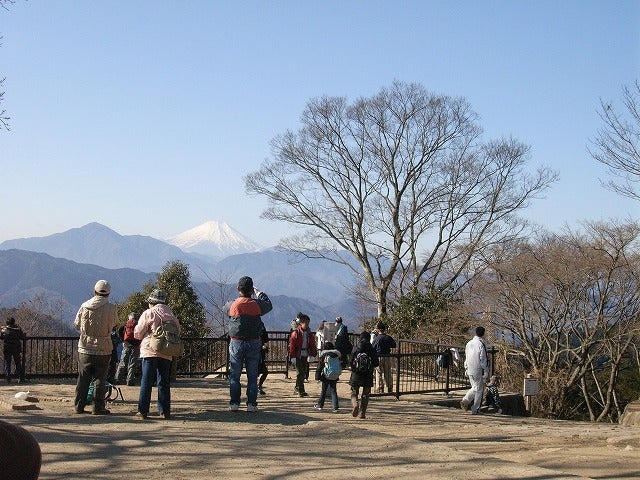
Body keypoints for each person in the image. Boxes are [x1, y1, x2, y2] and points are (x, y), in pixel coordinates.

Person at [223, 276, 272, 412]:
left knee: (235, 375)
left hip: (236, 342)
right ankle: (251, 404)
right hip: (253, 342)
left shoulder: (233, 304)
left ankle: (234, 403)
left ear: (238, 289)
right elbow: (268, 304)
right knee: (252, 375)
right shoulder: (256, 304)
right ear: (251, 290)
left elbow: (224, 308)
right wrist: (259, 293)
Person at [134, 288, 181, 420]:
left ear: (151, 302)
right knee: (164, 382)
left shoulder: (149, 313)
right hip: (166, 352)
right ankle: (164, 411)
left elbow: (138, 333)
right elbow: (178, 330)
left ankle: (143, 411)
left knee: (146, 381)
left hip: (149, 350)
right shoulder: (171, 315)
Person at [74, 280, 118, 415]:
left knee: (83, 378)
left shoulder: (84, 306)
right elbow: (114, 324)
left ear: (95, 291)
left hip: (85, 347)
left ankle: (79, 406)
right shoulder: (111, 308)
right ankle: (98, 407)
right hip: (103, 348)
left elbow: (76, 324)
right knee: (100, 378)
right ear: (108, 293)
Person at [349, 331, 378, 419]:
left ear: (360, 338)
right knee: (366, 394)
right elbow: (376, 363)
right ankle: (362, 413)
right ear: (369, 338)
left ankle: (355, 404)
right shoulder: (372, 348)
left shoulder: (356, 347)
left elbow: (350, 361)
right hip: (368, 374)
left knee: (354, 392)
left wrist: (354, 368)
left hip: (356, 374)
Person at [461, 326, 489, 415]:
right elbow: (483, 359)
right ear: (483, 334)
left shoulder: (469, 343)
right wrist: (486, 370)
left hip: (469, 368)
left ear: (475, 333)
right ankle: (474, 408)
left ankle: (466, 401)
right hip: (478, 369)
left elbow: (466, 356)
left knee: (475, 387)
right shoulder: (481, 344)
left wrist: (466, 367)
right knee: (479, 390)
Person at [288, 313, 317, 397]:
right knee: (300, 373)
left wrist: (312, 354)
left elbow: (312, 344)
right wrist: (292, 356)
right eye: (306, 322)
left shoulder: (309, 333)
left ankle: (297, 388)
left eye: (308, 322)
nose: (307, 324)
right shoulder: (296, 333)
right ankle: (301, 390)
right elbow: (292, 345)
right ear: (301, 323)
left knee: (303, 372)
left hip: (305, 354)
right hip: (298, 355)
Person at [314, 341, 341, 412]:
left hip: (326, 375)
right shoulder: (337, 355)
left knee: (323, 390)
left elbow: (320, 367)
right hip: (335, 375)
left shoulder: (324, 355)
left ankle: (320, 405)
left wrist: (317, 377)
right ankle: (335, 407)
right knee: (334, 391)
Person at [116, 312, 142, 386]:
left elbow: (119, 331)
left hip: (126, 345)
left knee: (123, 362)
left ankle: (118, 379)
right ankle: (130, 380)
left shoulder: (126, 325)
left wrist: (123, 340)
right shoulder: (138, 325)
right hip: (136, 345)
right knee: (133, 363)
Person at [371, 322, 397, 393]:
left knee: (379, 372)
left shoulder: (377, 339)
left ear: (378, 329)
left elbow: (372, 347)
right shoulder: (388, 337)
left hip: (379, 356)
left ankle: (380, 388)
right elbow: (394, 345)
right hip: (387, 356)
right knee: (388, 372)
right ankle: (390, 387)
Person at [1, 317, 26, 383]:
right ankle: (20, 377)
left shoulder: (5, 329)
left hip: (7, 349)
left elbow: (2, 336)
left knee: (7, 363)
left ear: (7, 322)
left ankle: (8, 378)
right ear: (13, 322)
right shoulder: (18, 329)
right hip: (16, 348)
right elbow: (22, 336)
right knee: (18, 363)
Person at [257, 325, 269, 395]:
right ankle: (256, 388)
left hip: (260, 356)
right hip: (253, 355)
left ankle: (259, 386)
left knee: (265, 372)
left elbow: (265, 337)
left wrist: (264, 347)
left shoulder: (261, 324)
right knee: (254, 373)